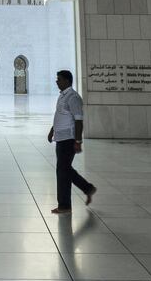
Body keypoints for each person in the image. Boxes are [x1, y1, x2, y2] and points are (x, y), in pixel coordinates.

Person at [48, 70, 96, 214]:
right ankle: (88, 189)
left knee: (63, 170)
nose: (57, 82)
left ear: (67, 81)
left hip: (69, 139)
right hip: (61, 138)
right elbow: (60, 116)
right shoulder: (63, 96)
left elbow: (78, 120)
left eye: (59, 79)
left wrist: (78, 140)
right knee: (64, 169)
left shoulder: (73, 97)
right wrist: (52, 130)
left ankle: (65, 205)